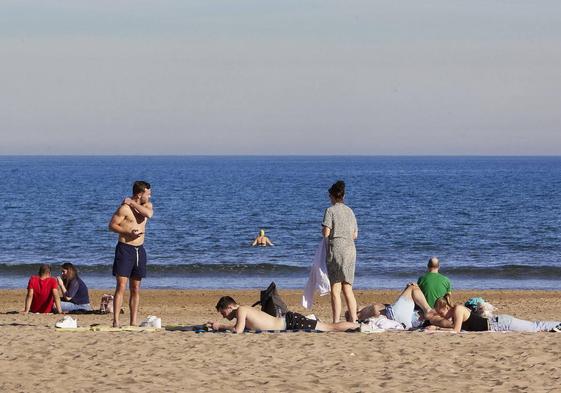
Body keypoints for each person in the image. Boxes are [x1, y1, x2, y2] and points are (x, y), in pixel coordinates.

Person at [108, 180, 153, 327]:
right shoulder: (124, 209)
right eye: (148, 193)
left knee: (136, 288)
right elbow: (112, 225)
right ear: (140, 194)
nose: (150, 196)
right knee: (121, 286)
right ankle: (116, 321)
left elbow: (149, 214)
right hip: (125, 248)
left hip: (139, 250)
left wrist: (133, 203)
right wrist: (128, 232)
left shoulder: (146, 206)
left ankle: (133, 321)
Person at [210, 296, 360, 333]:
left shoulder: (242, 309)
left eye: (223, 312)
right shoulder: (243, 310)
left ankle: (358, 326)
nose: (223, 316)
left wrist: (220, 326)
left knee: (330, 328)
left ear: (229, 306)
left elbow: (238, 330)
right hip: (289, 321)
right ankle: (357, 325)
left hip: (291, 322)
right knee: (328, 327)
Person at [322, 180, 359, 323]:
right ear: (343, 196)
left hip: (336, 249)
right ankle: (354, 320)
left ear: (332, 196)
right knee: (348, 288)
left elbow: (326, 232)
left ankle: (336, 321)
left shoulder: (330, 211)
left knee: (336, 289)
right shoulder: (350, 211)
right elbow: (355, 235)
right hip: (350, 250)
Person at [433, 296, 561, 333]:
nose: (441, 316)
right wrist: (436, 327)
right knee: (535, 327)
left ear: (445, 307)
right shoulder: (456, 313)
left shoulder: (458, 310)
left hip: (500, 324)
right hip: (497, 323)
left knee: (535, 327)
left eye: (441, 312)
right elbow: (455, 326)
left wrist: (436, 330)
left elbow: (456, 330)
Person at [353, 283, 449, 329]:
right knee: (381, 306)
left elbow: (445, 324)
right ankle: (358, 313)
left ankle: (427, 308)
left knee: (412, 287)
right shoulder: (437, 317)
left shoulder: (436, 318)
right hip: (403, 320)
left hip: (402, 318)